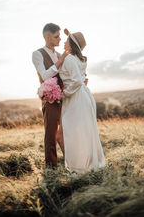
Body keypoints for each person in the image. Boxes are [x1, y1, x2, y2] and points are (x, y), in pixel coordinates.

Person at [59, 29, 105, 174]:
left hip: (76, 98)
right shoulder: (80, 59)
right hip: (83, 95)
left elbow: (77, 81)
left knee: (72, 132)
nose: (64, 42)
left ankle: (78, 167)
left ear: (72, 44)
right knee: (83, 131)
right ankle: (84, 165)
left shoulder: (69, 59)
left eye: (67, 40)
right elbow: (80, 79)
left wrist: (64, 94)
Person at [32, 23, 67, 168]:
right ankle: (51, 169)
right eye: (56, 36)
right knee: (50, 136)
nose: (60, 39)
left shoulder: (59, 54)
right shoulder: (37, 54)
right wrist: (60, 62)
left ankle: (71, 164)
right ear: (47, 37)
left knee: (66, 133)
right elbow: (45, 75)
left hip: (65, 98)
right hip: (50, 99)